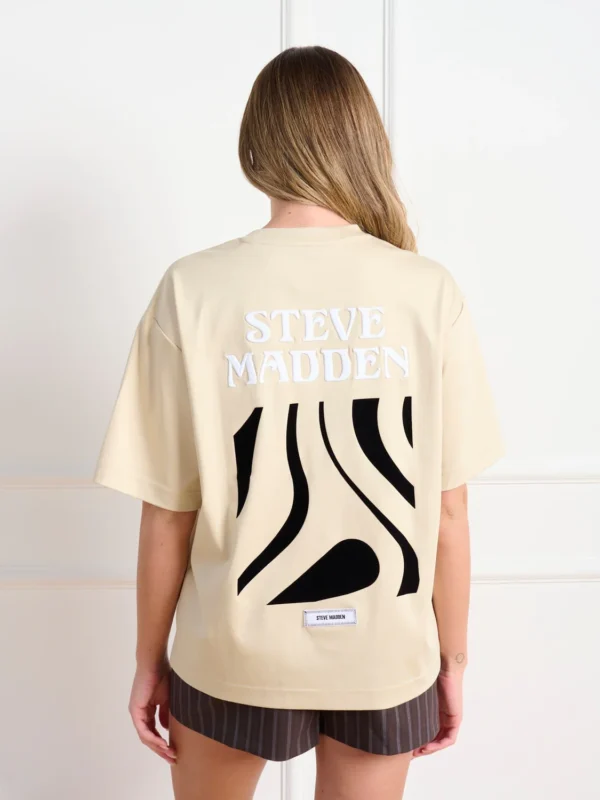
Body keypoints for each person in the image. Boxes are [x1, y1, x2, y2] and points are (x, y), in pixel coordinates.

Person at [95, 45, 504, 800]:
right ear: (362, 140)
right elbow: (449, 511)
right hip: (386, 655)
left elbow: (168, 513)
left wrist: (149, 662)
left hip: (232, 651)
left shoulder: (193, 290)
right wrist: (453, 661)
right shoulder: (427, 290)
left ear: (255, 145)